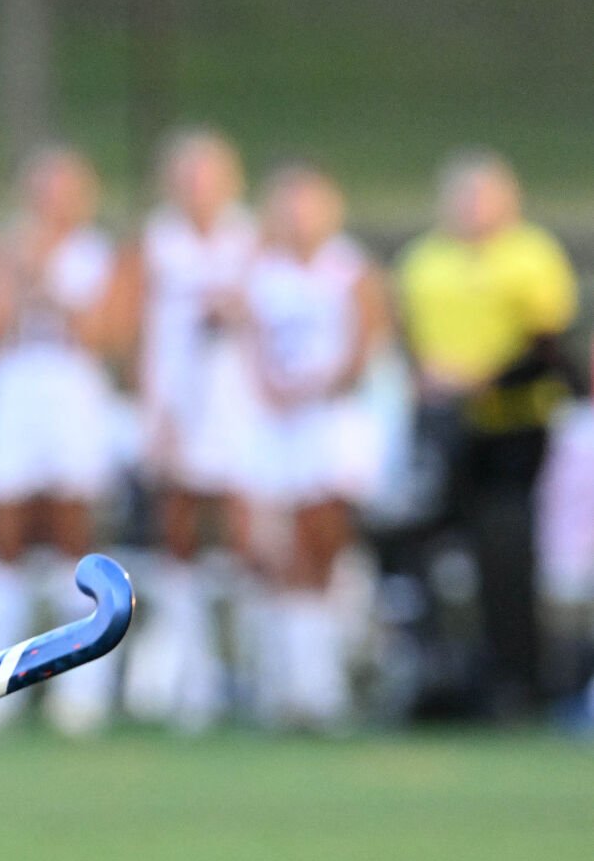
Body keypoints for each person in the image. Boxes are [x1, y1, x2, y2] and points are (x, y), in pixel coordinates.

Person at [397, 151, 579, 720]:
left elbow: (547, 350)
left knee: (506, 552)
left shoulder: (531, 257)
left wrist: (480, 380)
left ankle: (518, 680)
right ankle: (444, 676)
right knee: (425, 552)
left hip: (511, 428)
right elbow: (408, 338)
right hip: (445, 429)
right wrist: (427, 379)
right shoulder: (424, 261)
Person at [0, 146, 123, 732]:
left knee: (71, 533)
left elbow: (103, 333)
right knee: (0, 535)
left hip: (71, 394)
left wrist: (46, 282)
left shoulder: (100, 254)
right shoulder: (0, 252)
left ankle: (80, 688)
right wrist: (11, 284)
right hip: (11, 390)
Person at [232, 163, 390, 730]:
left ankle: (324, 684)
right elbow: (248, 340)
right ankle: (290, 684)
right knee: (277, 552)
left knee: (323, 545)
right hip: (275, 428)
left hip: (326, 423)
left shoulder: (348, 270)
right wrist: (270, 386)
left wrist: (309, 386)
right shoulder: (260, 270)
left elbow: (364, 347)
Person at [110, 129, 257, 731]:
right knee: (179, 540)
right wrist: (152, 407)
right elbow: (130, 328)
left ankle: (257, 673)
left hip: (243, 407)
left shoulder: (252, 238)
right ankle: (189, 679)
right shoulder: (155, 242)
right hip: (178, 407)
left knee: (249, 540)